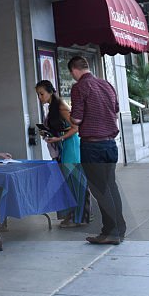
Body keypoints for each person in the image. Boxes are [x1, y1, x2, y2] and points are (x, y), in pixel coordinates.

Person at [67, 56, 126, 244]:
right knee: (111, 186)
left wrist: (71, 116)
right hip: (110, 144)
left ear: (74, 70)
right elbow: (115, 110)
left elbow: (76, 119)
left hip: (92, 145)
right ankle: (119, 228)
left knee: (100, 190)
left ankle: (110, 231)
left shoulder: (79, 87)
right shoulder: (106, 84)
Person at [35, 80, 88, 226]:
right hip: (64, 145)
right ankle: (74, 215)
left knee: (75, 181)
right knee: (68, 182)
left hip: (70, 145)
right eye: (38, 94)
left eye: (41, 94)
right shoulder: (53, 107)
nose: (40, 97)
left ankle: (79, 217)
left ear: (50, 92)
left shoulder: (61, 106)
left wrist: (59, 137)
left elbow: (75, 127)